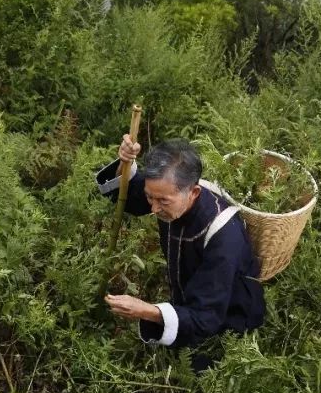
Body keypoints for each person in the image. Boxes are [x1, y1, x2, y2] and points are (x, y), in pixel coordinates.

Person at [97, 134, 265, 364]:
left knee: (203, 367)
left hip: (229, 313)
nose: (154, 208)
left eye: (163, 201)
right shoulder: (170, 192)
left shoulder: (224, 235)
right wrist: (125, 163)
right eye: (150, 197)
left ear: (193, 192)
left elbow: (207, 315)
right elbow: (132, 197)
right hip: (193, 295)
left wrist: (147, 311)